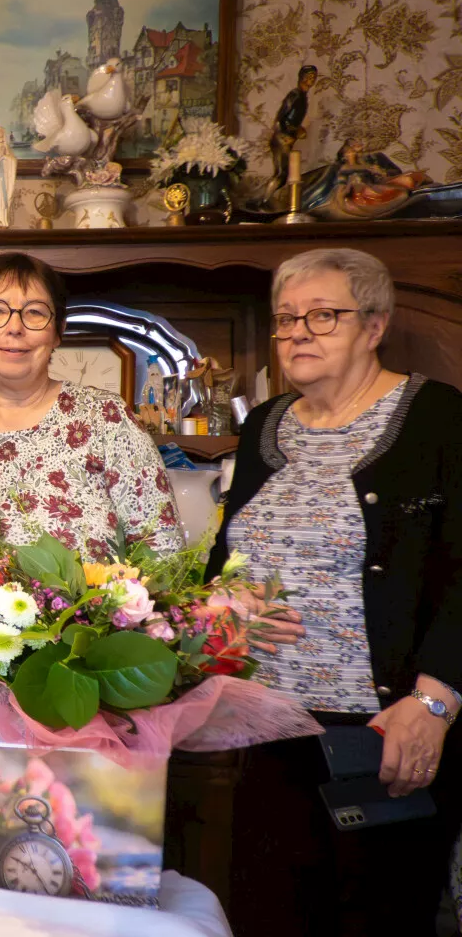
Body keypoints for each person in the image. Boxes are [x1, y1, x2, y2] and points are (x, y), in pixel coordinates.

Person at [206, 248, 462, 936]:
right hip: (270, 728)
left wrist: (433, 703)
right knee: (268, 917)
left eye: (323, 315)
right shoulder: (266, 423)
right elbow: (225, 557)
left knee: (378, 921)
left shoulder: (437, 419)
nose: (297, 332)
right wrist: (226, 606)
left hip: (384, 734)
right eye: (287, 318)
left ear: (374, 326)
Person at [0, 253, 182, 559]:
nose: (15, 327)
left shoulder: (106, 419)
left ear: (58, 331)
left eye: (34, 312)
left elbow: (163, 551)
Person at [263, 64, 318, 204]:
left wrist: (297, 130)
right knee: (281, 174)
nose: (312, 79)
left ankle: (268, 201)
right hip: (282, 138)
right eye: (309, 76)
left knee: (284, 175)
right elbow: (282, 118)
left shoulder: (303, 97)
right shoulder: (295, 95)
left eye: (314, 76)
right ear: (301, 77)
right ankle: (264, 202)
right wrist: (292, 131)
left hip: (287, 138)